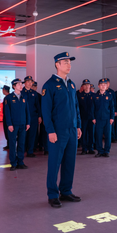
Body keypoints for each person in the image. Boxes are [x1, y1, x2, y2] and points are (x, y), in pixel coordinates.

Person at [41, 52, 82, 208]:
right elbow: (46, 111)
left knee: (69, 162)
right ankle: (53, 194)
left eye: (69, 62)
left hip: (72, 129)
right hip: (57, 132)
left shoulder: (71, 84)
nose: (69, 65)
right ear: (57, 64)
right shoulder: (49, 85)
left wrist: (78, 125)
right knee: (54, 163)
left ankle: (66, 191)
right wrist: (50, 131)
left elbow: (76, 107)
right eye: (65, 62)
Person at [4, 78, 30, 170]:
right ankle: (13, 163)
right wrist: (9, 124)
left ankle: (20, 162)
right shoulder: (8, 98)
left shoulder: (24, 97)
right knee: (12, 143)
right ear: (14, 86)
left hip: (23, 124)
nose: (21, 86)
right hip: (13, 124)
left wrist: (28, 122)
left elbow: (27, 111)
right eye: (18, 84)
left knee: (21, 143)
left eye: (21, 84)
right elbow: (7, 113)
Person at [91, 79, 114, 157]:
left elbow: (112, 107)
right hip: (98, 119)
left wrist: (112, 118)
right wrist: (93, 118)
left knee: (108, 136)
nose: (103, 86)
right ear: (98, 86)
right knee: (98, 136)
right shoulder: (95, 96)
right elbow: (92, 108)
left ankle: (106, 151)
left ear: (106, 86)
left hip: (107, 119)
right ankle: (100, 151)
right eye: (101, 84)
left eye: (105, 84)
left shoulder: (109, 95)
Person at [22, 76, 41, 158]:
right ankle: (22, 150)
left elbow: (38, 105)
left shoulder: (34, 93)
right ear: (25, 83)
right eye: (28, 82)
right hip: (23, 116)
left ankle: (30, 151)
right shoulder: (21, 92)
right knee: (23, 134)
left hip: (33, 116)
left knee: (32, 134)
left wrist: (39, 116)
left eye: (31, 82)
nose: (30, 83)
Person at [77, 79, 95, 155]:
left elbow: (96, 108)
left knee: (91, 133)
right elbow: (77, 108)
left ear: (90, 86)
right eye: (85, 85)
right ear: (83, 86)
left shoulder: (93, 95)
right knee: (83, 133)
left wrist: (94, 117)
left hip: (91, 118)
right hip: (83, 118)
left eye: (88, 85)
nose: (87, 86)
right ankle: (84, 148)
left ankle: (90, 148)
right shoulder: (80, 96)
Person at [2, 85, 11, 150]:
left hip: (7, 117)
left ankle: (9, 145)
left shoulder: (7, 98)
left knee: (8, 131)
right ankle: (8, 144)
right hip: (6, 117)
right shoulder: (8, 97)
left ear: (4, 90)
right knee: (7, 131)